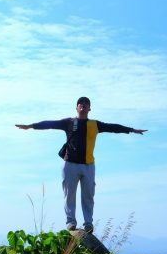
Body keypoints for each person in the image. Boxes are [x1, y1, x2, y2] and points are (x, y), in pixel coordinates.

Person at [16, 96, 147, 233]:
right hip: (70, 165)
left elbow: (113, 127)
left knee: (88, 196)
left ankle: (88, 224)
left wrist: (132, 130)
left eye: (86, 104)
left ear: (89, 108)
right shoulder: (69, 122)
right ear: (77, 107)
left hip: (88, 165)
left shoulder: (95, 124)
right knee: (69, 195)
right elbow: (49, 124)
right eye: (80, 104)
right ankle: (71, 223)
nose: (83, 105)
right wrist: (30, 126)